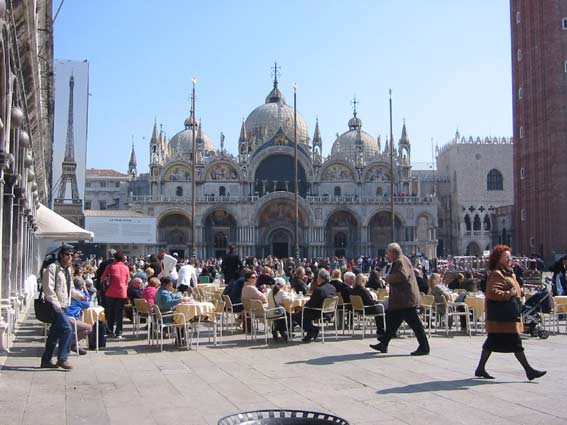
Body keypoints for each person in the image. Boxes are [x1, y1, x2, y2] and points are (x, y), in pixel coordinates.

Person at [475, 245, 546, 381]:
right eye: (506, 257)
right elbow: (492, 292)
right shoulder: (497, 273)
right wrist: (509, 293)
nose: (509, 259)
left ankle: (480, 368)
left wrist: (519, 293)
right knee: (516, 343)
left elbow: (513, 289)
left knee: (491, 342)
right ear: (498, 259)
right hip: (503, 317)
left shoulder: (508, 273)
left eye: (510, 257)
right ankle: (529, 371)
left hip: (505, 316)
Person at [370, 243, 430, 356]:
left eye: (388, 253)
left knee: (415, 324)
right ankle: (384, 343)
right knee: (394, 321)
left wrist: (387, 278)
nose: (387, 255)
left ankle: (424, 347)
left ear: (393, 253)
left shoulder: (400, 261)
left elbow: (402, 275)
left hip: (405, 299)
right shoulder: (402, 260)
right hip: (402, 299)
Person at [40, 246, 76, 370]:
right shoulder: (52, 268)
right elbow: (48, 288)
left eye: (71, 255)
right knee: (68, 329)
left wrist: (80, 296)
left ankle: (46, 360)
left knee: (54, 334)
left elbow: (70, 288)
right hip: (54, 305)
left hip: (64, 305)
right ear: (61, 255)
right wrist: (55, 303)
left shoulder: (68, 270)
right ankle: (62, 359)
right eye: (67, 254)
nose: (70, 257)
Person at [295, 268, 336, 343]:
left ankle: (313, 329)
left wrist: (303, 307)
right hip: (330, 311)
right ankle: (310, 332)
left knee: (297, 315)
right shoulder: (332, 288)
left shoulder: (319, 290)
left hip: (319, 312)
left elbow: (311, 303)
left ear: (320, 278)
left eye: (318, 277)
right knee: (304, 313)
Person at [101, 251, 130, 339]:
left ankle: (110, 330)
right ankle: (119, 332)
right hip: (122, 292)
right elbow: (127, 280)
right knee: (119, 313)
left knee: (110, 312)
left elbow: (102, 278)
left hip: (111, 291)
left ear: (115, 258)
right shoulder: (126, 268)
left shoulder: (110, 266)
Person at [66, 276, 93, 355]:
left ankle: (73, 344)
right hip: (71, 318)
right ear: (82, 285)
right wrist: (86, 290)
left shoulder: (69, 293)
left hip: (64, 316)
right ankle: (70, 344)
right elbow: (87, 304)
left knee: (79, 325)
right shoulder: (80, 295)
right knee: (89, 328)